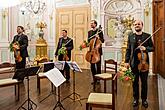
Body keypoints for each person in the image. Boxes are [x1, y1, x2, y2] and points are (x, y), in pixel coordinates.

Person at [125, 20, 154, 108]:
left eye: (138, 24)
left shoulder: (147, 36)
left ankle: (144, 99)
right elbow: (128, 49)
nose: (137, 25)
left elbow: (152, 48)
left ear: (142, 25)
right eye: (135, 24)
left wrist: (146, 48)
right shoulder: (131, 36)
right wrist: (126, 61)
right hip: (134, 62)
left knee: (144, 82)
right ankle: (136, 99)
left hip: (144, 63)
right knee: (135, 82)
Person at [87, 20, 104, 84]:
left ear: (95, 24)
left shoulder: (99, 31)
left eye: (92, 23)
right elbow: (88, 41)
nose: (91, 24)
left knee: (98, 66)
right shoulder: (89, 32)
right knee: (92, 66)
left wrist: (99, 37)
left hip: (97, 52)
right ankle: (94, 79)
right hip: (91, 51)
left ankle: (98, 79)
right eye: (90, 23)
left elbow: (102, 41)